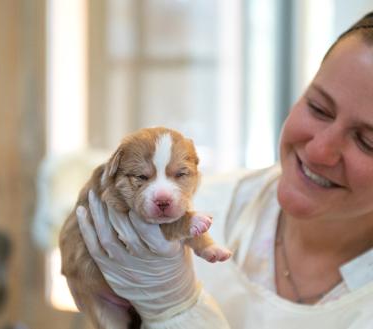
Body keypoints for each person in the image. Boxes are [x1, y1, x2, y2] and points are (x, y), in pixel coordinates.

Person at [75, 12, 373, 328]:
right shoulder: (208, 206)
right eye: (318, 108)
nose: (318, 150)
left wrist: (178, 310)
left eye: (367, 141)